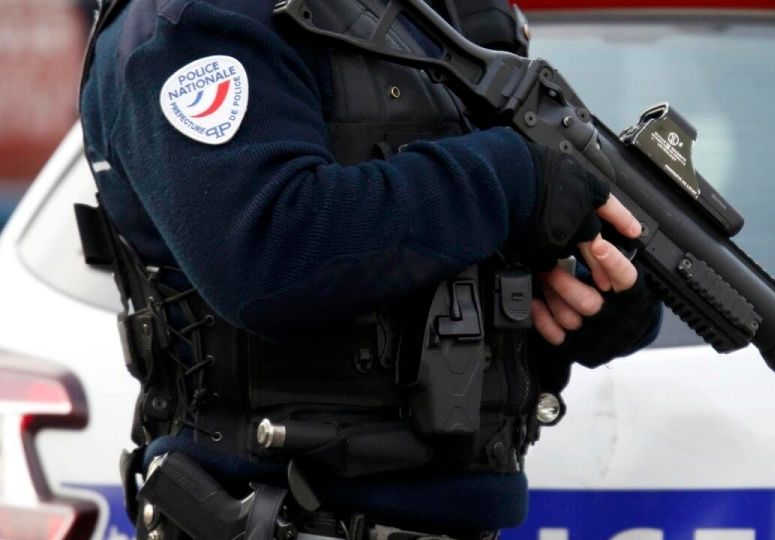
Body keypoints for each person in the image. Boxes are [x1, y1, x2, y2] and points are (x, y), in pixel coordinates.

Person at [77, 0, 663, 538]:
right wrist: (509, 182)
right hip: (282, 518)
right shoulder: (194, 20)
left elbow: (436, 254)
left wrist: (585, 294)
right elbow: (268, 253)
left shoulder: (441, 16)